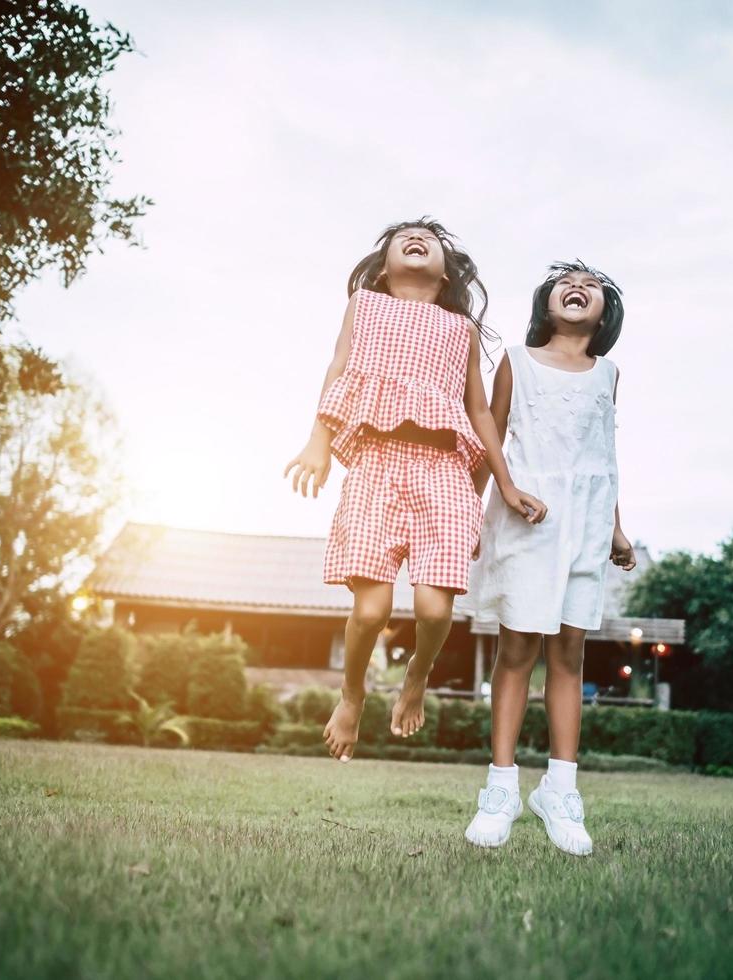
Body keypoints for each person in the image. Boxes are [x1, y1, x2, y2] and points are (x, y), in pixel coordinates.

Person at [284, 218, 547, 763]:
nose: (415, 237)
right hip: (376, 464)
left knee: (432, 610)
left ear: (446, 271)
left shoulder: (460, 330)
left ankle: (417, 675)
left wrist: (505, 483)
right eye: (401, 236)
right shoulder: (366, 306)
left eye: (428, 240)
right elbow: (338, 368)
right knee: (370, 611)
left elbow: (479, 411)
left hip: (444, 472)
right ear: (384, 266)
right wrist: (317, 440)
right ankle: (352, 695)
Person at [464, 261, 635, 855]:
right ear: (547, 301)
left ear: (604, 311)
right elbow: (492, 432)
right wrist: (487, 500)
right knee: (517, 650)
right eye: (565, 279)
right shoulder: (517, 359)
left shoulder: (608, 374)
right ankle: (501, 788)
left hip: (586, 522)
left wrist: (615, 526)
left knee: (569, 652)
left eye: (590, 283)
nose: (576, 285)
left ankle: (560, 791)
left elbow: (605, 453)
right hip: (528, 512)